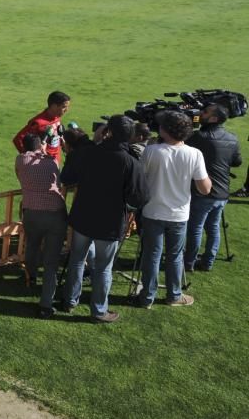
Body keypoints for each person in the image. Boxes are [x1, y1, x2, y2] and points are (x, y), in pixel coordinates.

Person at [60, 115, 148, 323]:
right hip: (109, 223)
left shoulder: (89, 153)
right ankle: (98, 311)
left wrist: (96, 140)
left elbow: (67, 177)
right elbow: (139, 197)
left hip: (83, 217)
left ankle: (70, 301)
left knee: (77, 261)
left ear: (107, 131)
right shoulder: (131, 162)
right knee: (103, 268)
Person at [136, 111, 212, 308]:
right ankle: (174, 295)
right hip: (178, 214)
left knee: (151, 255)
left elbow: (141, 179)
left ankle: (147, 297)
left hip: (152, 211)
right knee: (174, 256)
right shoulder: (194, 154)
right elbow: (205, 189)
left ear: (164, 129)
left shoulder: (152, 151)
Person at [185, 104, 242, 271]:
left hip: (203, 192)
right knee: (213, 227)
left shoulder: (200, 137)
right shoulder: (232, 138)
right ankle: (208, 261)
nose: (201, 114)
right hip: (222, 193)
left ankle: (189, 262)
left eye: (205, 113)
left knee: (195, 228)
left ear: (214, 118)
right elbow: (237, 162)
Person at [14, 134, 67, 305]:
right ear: (40, 145)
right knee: (51, 262)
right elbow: (57, 182)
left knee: (32, 245)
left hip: (32, 213)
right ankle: (46, 303)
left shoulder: (21, 160)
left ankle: (32, 276)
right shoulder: (52, 161)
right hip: (55, 214)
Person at [13, 91, 71, 162]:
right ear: (54, 106)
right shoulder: (38, 122)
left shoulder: (56, 117)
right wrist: (29, 157)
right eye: (64, 107)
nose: (66, 110)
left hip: (55, 162)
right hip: (43, 164)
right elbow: (18, 139)